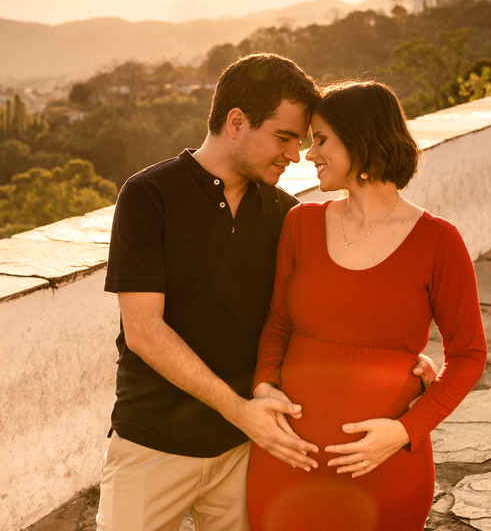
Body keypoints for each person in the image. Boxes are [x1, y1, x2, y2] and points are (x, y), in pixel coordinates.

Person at [96, 53, 325, 531]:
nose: (295, 155)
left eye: (301, 142)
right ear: (236, 122)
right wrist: (240, 411)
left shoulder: (287, 212)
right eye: (284, 137)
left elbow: (303, 318)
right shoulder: (148, 195)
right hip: (151, 444)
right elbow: (143, 331)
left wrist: (399, 361)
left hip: (244, 451)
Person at [246, 80, 487, 531]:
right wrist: (263, 386)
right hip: (286, 459)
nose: (310, 153)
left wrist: (404, 431)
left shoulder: (439, 241)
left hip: (383, 469)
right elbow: (277, 322)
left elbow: (469, 354)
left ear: (360, 140)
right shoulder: (301, 222)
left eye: (321, 139)